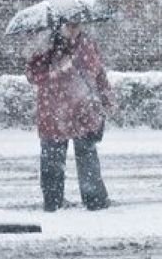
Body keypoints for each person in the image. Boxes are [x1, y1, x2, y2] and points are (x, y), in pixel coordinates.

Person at [26, 22, 115, 211]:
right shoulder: (46, 46)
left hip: (84, 111)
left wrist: (106, 98)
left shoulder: (88, 45)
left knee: (88, 157)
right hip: (54, 112)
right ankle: (53, 201)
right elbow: (33, 75)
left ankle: (95, 200)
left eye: (78, 24)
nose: (74, 28)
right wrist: (57, 69)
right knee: (52, 160)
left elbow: (99, 74)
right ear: (60, 26)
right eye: (69, 24)